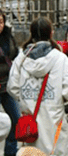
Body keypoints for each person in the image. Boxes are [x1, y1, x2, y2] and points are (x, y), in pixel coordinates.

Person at [8, 17, 68, 155]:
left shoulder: (21, 59)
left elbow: (12, 87)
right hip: (54, 119)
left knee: (31, 152)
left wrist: (25, 98)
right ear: (51, 33)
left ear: (31, 34)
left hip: (30, 123)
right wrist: (62, 98)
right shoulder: (60, 58)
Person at [0, 9, 19, 156]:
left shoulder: (7, 36)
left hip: (7, 85)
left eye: (0, 22)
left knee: (15, 120)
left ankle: (10, 152)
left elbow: (15, 54)